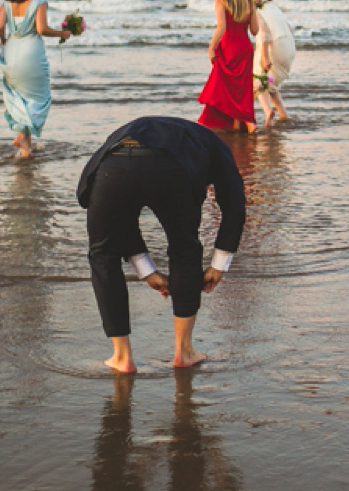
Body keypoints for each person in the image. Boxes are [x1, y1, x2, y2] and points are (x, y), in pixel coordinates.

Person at [77, 116, 246, 373]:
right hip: (173, 169)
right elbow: (234, 206)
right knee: (185, 249)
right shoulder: (218, 148)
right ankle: (185, 352)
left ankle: (122, 357)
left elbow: (122, 220)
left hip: (113, 166)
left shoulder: (122, 135)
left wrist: (147, 270)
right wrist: (219, 265)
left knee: (103, 255)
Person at [0, 0, 70, 158]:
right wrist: (63, 33)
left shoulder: (7, 3)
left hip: (11, 50)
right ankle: (22, 137)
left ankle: (25, 143)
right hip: (31, 52)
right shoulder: (39, 1)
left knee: (18, 95)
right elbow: (41, 29)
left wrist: (5, 42)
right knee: (38, 97)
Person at [198, 0, 260, 133]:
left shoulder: (221, 2)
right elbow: (255, 31)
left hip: (228, 48)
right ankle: (241, 123)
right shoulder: (250, 3)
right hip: (245, 48)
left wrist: (211, 47)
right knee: (242, 88)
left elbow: (222, 27)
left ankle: (244, 123)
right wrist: (254, 11)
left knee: (225, 87)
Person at [251, 0, 296, 127]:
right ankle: (284, 115)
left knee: (259, 81)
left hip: (274, 47)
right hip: (288, 47)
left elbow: (264, 32)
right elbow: (291, 28)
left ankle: (268, 110)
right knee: (272, 83)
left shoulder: (258, 11)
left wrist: (265, 56)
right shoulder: (274, 9)